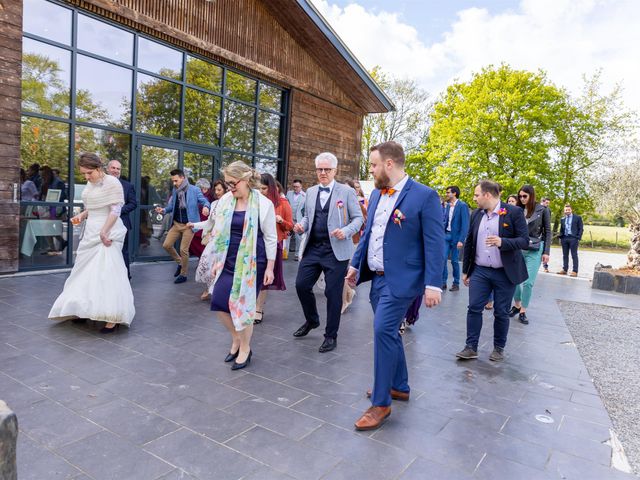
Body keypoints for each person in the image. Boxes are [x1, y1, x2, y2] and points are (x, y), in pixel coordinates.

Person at [345, 141, 444, 431]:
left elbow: (435, 243)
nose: (371, 170)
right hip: (376, 277)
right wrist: (355, 264)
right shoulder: (376, 194)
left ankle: (381, 403)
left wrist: (434, 285)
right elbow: (369, 234)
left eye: (374, 164)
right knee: (388, 332)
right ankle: (399, 385)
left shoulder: (425, 196)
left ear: (389, 164)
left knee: (382, 330)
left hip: (403, 280)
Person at [49, 153, 135, 332]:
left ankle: (113, 317)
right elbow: (93, 206)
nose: (87, 177)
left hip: (107, 229)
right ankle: (83, 309)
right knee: (85, 271)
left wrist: (104, 231)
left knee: (107, 272)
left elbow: (116, 209)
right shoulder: (91, 182)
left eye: (89, 173)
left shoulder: (112, 182)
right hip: (90, 231)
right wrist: (81, 215)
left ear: (98, 168)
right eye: (84, 174)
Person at [208, 161, 277, 370]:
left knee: (245, 308)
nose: (230, 188)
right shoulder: (226, 201)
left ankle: (245, 348)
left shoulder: (264, 204)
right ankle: (236, 338)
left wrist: (270, 268)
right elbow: (218, 232)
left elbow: (271, 237)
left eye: (232, 183)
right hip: (228, 258)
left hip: (253, 261)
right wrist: (216, 260)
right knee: (219, 301)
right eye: (228, 184)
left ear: (245, 180)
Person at [292, 152, 364, 353]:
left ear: (335, 170)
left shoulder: (346, 192)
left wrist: (346, 231)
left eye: (327, 169)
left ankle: (331, 335)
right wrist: (301, 226)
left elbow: (358, 219)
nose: (322, 173)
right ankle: (312, 320)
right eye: (319, 169)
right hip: (313, 248)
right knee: (301, 285)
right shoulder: (312, 191)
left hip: (336, 251)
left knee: (333, 294)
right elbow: (309, 217)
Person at [456, 180, 529, 362]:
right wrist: (466, 270)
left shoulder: (513, 212)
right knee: (473, 307)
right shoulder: (476, 214)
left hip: (504, 272)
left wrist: (503, 242)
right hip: (480, 270)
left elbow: (524, 240)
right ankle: (471, 347)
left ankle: (498, 348)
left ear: (487, 195)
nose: (474, 198)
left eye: (476, 194)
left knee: (501, 311)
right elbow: (470, 242)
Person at [155, 169, 210, 283]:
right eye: (173, 181)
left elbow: (205, 201)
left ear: (182, 178)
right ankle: (180, 262)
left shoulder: (194, 190)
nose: (174, 183)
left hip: (188, 225)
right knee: (166, 245)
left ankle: (183, 274)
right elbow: (171, 207)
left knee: (183, 250)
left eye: (176, 181)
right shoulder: (175, 191)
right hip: (176, 224)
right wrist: (163, 210)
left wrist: (206, 207)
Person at [507, 185, 551, 325]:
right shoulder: (516, 210)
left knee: (528, 283)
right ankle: (517, 304)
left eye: (525, 196)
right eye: (520, 196)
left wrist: (546, 252)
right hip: (518, 248)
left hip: (535, 249)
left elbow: (548, 232)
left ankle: (523, 311)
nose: (522, 199)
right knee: (514, 280)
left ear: (531, 196)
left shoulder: (542, 210)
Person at [255, 173, 293, 323]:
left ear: (271, 188)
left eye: (264, 188)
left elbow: (290, 226)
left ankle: (259, 309)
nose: (261, 191)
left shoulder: (282, 203)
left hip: (272, 244)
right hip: (254, 244)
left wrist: (281, 220)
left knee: (264, 279)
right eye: (258, 188)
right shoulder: (254, 202)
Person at [188, 180, 227, 301]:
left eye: (219, 190)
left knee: (221, 267)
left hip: (226, 241)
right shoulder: (214, 203)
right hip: (214, 240)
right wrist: (194, 225)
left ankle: (216, 291)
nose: (217, 192)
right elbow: (209, 222)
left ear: (226, 190)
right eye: (215, 190)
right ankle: (210, 289)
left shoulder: (232, 203)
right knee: (208, 265)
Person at [341, 179, 369, 314]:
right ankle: (348, 293)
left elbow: (364, 222)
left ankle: (345, 301)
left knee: (344, 271)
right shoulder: (337, 202)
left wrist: (351, 225)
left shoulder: (358, 203)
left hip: (353, 241)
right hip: (337, 241)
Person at [107, 160, 137, 279]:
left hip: (122, 223)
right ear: (108, 169)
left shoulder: (128, 186)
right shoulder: (100, 184)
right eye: (113, 168)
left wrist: (118, 211)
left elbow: (133, 203)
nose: (115, 171)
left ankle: (125, 276)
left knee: (122, 251)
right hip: (103, 223)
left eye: (118, 169)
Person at [442, 186, 470, 292]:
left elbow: (465, 224)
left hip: (456, 238)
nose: (446, 194)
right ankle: (443, 282)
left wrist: (461, 240)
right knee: (443, 259)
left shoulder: (462, 206)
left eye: (448, 192)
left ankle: (456, 283)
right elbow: (446, 221)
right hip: (446, 236)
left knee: (454, 261)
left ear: (454, 193)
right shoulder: (448, 206)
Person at [189, 178, 217, 258]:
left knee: (202, 243)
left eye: (206, 188)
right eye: (202, 188)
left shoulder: (209, 196)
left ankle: (204, 259)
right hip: (197, 221)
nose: (204, 190)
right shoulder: (195, 195)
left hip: (204, 223)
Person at [557, 204, 583, 277]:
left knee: (574, 255)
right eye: (566, 210)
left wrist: (578, 237)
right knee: (565, 255)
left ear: (571, 210)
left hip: (573, 238)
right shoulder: (562, 219)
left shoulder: (577, 218)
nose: (567, 211)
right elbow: (561, 229)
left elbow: (581, 228)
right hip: (564, 238)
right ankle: (565, 270)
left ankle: (575, 271)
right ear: (564, 211)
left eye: (568, 210)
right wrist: (561, 237)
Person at [285, 179, 305, 260]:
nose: (295, 188)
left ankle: (297, 254)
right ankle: (285, 254)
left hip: (299, 220)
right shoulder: (289, 193)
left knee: (298, 238)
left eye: (297, 187)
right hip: (289, 219)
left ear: (301, 186)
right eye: (294, 187)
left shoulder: (305, 195)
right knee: (287, 236)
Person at [540, 197, 551, 272]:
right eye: (546, 203)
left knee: (545, 251)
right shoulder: (538, 209)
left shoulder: (548, 210)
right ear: (542, 202)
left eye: (548, 203)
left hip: (545, 234)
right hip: (538, 234)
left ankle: (545, 266)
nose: (547, 205)